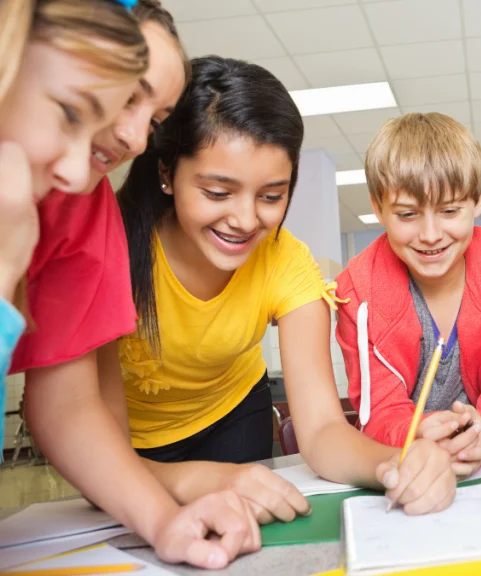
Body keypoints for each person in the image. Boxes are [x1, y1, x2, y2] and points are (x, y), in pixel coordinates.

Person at [115, 56, 457, 516]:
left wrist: (395, 464)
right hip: (123, 445)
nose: (244, 219)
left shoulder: (286, 260)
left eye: (271, 196)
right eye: (217, 193)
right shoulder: (112, 247)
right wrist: (193, 477)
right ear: (166, 173)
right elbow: (85, 433)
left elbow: (319, 430)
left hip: (233, 418)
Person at [2, 1, 260, 568]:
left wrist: (163, 521)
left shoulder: (82, 203)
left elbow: (68, 403)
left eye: (157, 119)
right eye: (123, 97)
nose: (138, 140)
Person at [335, 112, 481, 477]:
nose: (431, 234)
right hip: (410, 471)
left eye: (450, 210)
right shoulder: (357, 293)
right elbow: (379, 412)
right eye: (407, 215)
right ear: (377, 208)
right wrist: (415, 433)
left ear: (477, 201)